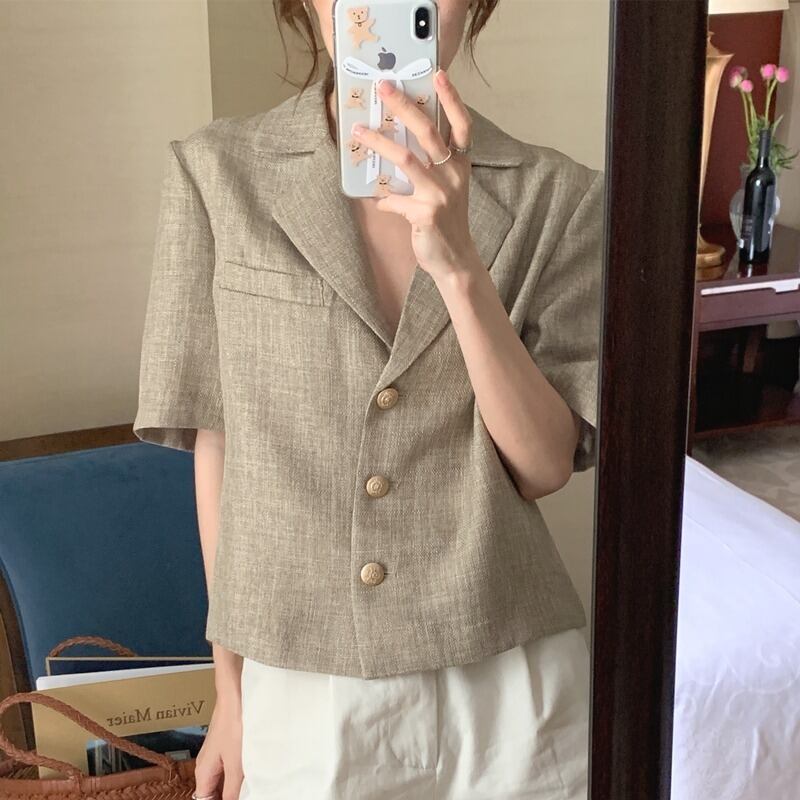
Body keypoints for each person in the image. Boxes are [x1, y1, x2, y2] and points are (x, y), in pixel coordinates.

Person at [133, 0, 605, 797]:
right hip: (301, 684)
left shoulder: (559, 196)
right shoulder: (216, 174)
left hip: (508, 684)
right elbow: (220, 447)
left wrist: (460, 266)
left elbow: (545, 465)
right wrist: (232, 693)